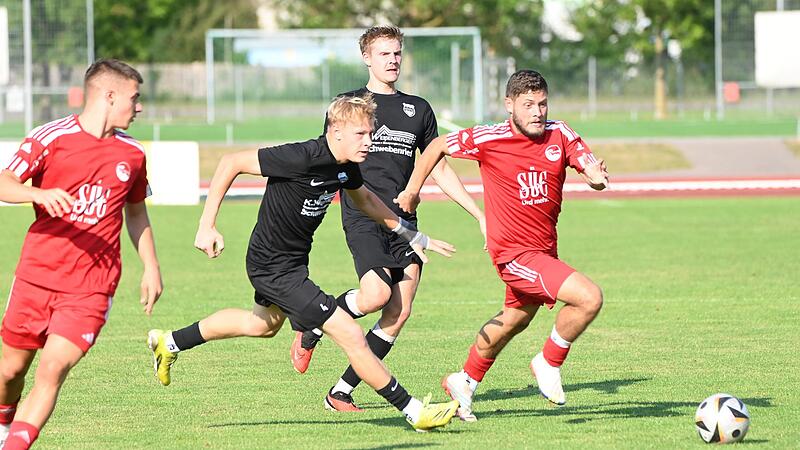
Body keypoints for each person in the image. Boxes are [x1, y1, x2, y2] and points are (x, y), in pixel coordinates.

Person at [147, 93, 459, 432]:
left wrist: (410, 234)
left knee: (261, 326)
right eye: (362, 134)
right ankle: (415, 411)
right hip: (272, 267)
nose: (370, 142)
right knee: (351, 334)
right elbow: (230, 162)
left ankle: (170, 342)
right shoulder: (301, 156)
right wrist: (206, 225)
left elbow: (367, 200)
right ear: (336, 130)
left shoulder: (346, 169)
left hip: (292, 263)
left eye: (371, 133)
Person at [290, 25, 485, 413]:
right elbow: (328, 157)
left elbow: (439, 169)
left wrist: (479, 214)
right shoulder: (347, 104)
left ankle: (340, 392)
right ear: (367, 57)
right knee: (376, 296)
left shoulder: (419, 109)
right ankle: (313, 324)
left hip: (405, 223)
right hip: (362, 214)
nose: (392, 60)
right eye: (384, 54)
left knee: (399, 311)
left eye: (397, 53)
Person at [395, 69, 609, 421]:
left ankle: (464, 380)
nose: (538, 112)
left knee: (513, 321)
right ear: (510, 105)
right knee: (589, 297)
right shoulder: (489, 138)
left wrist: (595, 177)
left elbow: (586, 162)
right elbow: (436, 146)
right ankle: (548, 362)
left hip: (543, 250)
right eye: (528, 105)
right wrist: (412, 190)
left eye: (542, 104)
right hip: (512, 253)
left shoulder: (560, 132)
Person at [0, 59, 162, 449]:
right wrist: (37, 194)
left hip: (91, 286)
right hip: (36, 277)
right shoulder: (50, 137)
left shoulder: (132, 154)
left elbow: (136, 212)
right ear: (108, 96)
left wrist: (151, 266)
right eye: (133, 98)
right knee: (8, 373)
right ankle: (4, 424)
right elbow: (5, 182)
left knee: (54, 368)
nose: (138, 108)